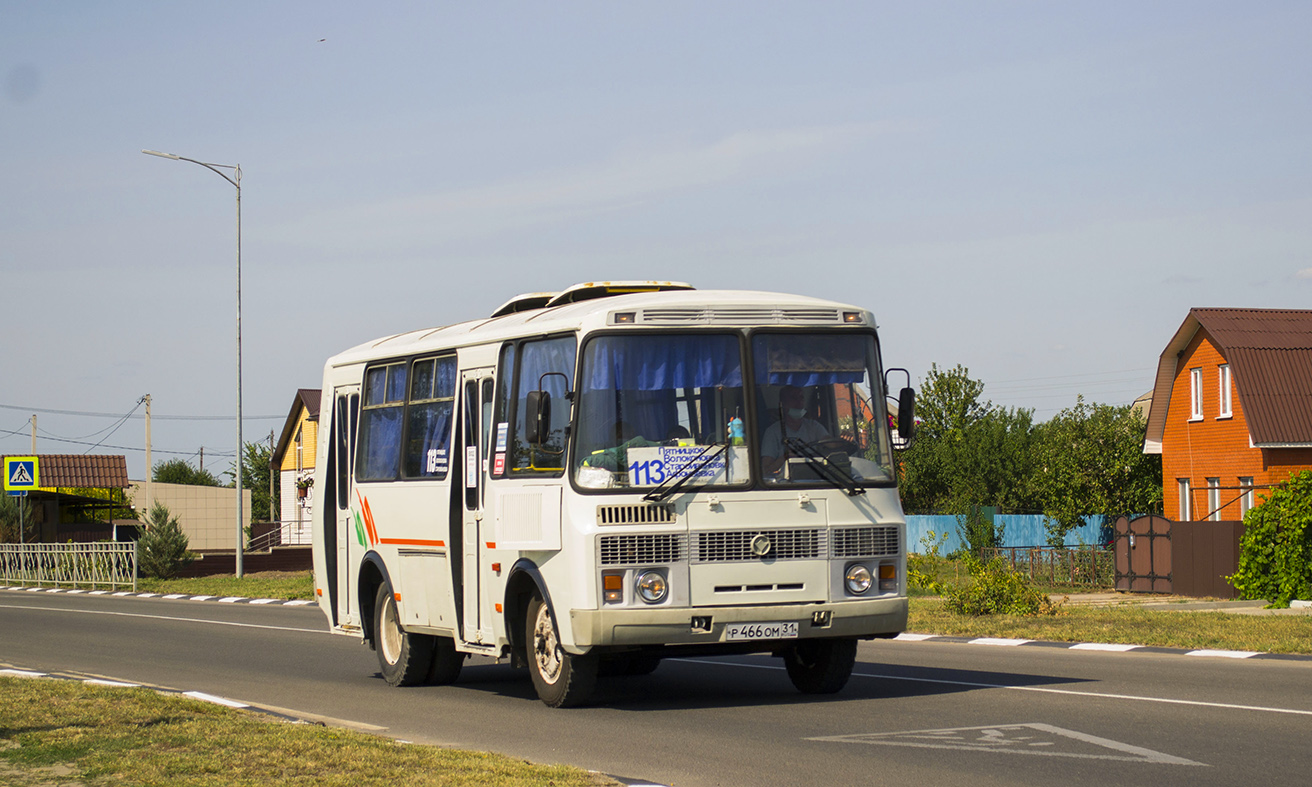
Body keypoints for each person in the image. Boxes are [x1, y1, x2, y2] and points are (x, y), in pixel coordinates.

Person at [760, 386, 830, 476]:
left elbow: (831, 443)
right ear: (782, 404)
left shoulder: (813, 426)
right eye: (793, 398)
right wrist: (785, 458)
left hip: (816, 480)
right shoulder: (772, 432)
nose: (799, 403)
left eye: (801, 398)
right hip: (786, 485)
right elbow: (765, 470)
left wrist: (845, 439)